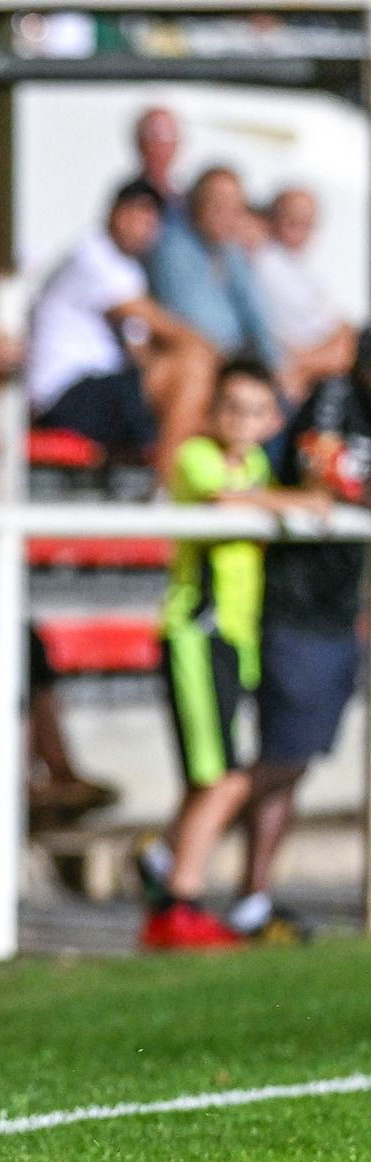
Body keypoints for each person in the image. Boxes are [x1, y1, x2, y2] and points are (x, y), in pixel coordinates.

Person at [132, 360, 316, 949]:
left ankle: (164, 864)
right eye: (231, 407)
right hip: (197, 635)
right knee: (224, 780)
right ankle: (179, 902)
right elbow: (222, 504)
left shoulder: (256, 465)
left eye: (255, 410)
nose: (241, 420)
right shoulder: (198, 457)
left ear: (273, 420)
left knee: (208, 778)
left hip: (235, 640)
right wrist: (296, 502)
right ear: (211, 412)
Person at [228, 331, 371, 942]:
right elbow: (322, 476)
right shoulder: (336, 396)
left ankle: (252, 899)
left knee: (296, 762)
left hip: (340, 613)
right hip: (296, 607)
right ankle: (187, 848)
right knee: (284, 758)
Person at [27, 183, 215, 476]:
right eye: (135, 216)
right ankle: (165, 491)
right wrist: (214, 356)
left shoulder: (128, 270)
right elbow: (161, 325)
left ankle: (183, 483)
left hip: (96, 387)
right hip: (63, 392)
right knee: (192, 371)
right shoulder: (92, 255)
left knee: (203, 391)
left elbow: (141, 350)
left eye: (149, 221)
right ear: (113, 213)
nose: (142, 228)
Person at [148, 168, 282, 384]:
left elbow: (255, 315)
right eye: (217, 204)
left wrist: (276, 367)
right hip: (201, 363)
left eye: (235, 208)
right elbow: (196, 323)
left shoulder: (230, 251)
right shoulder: (173, 249)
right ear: (197, 204)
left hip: (237, 361)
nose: (226, 214)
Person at [253, 189, 359, 397]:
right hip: (286, 357)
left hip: (309, 359)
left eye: (307, 221)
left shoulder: (306, 268)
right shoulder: (261, 258)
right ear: (273, 217)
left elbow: (340, 327)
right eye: (292, 218)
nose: (300, 226)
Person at [118, 107, 184, 220]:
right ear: (139, 143)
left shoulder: (185, 198)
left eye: (168, 136)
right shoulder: (128, 198)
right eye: (153, 135)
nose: (159, 147)